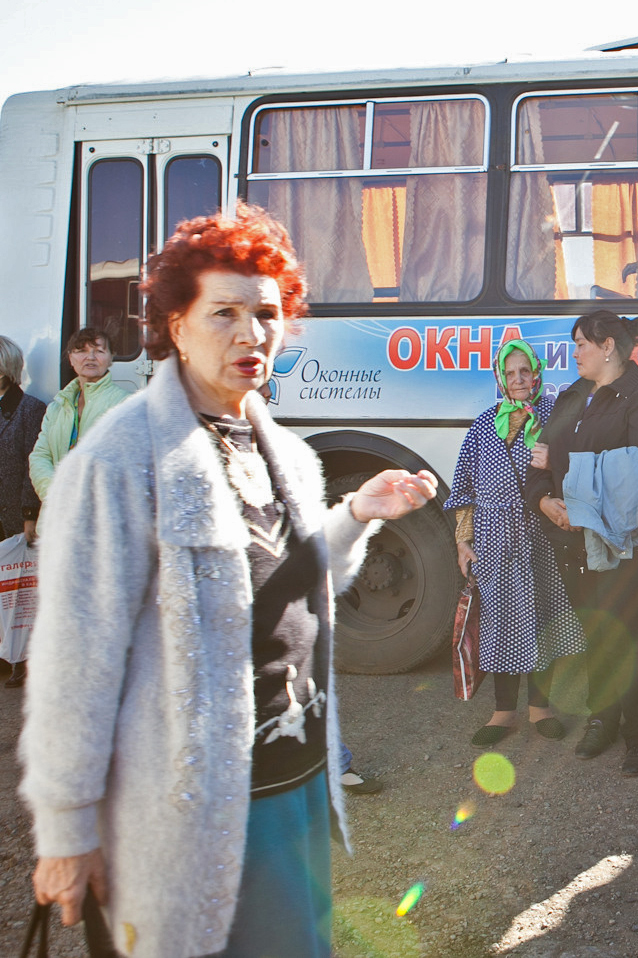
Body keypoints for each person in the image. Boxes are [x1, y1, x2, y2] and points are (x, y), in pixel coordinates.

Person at [19, 202, 438, 958]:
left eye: (268, 314)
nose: (252, 334)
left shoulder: (283, 450)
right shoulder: (119, 461)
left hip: (294, 782)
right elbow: (73, 659)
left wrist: (356, 515)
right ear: (174, 324)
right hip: (187, 808)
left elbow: (302, 585)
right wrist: (67, 828)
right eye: (225, 313)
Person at [526, 310, 638, 776]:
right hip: (574, 542)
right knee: (596, 631)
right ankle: (602, 718)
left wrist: (566, 473)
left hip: (630, 548)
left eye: (581, 344)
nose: (574, 353)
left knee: (623, 636)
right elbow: (538, 462)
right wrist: (545, 502)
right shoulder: (570, 395)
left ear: (608, 345)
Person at [445, 339, 585, 748]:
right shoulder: (484, 426)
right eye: (511, 373)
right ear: (500, 379)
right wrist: (462, 542)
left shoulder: (552, 420)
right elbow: (464, 489)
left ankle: (541, 708)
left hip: (539, 538)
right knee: (500, 624)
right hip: (492, 539)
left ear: (537, 372)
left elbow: (570, 474)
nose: (519, 379)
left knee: (541, 622)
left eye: (525, 371)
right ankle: (503, 712)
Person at [28, 327, 128, 504]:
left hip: (100, 516)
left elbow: (126, 464)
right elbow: (41, 455)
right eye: (81, 351)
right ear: (70, 358)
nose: (90, 357)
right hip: (56, 514)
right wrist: (55, 496)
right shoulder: (57, 406)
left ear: (111, 357)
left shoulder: (125, 404)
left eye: (99, 351)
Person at [0, 336, 44, 688]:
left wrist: (30, 512)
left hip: (13, 509)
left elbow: (34, 462)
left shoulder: (30, 409)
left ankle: (22, 659)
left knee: (17, 589)